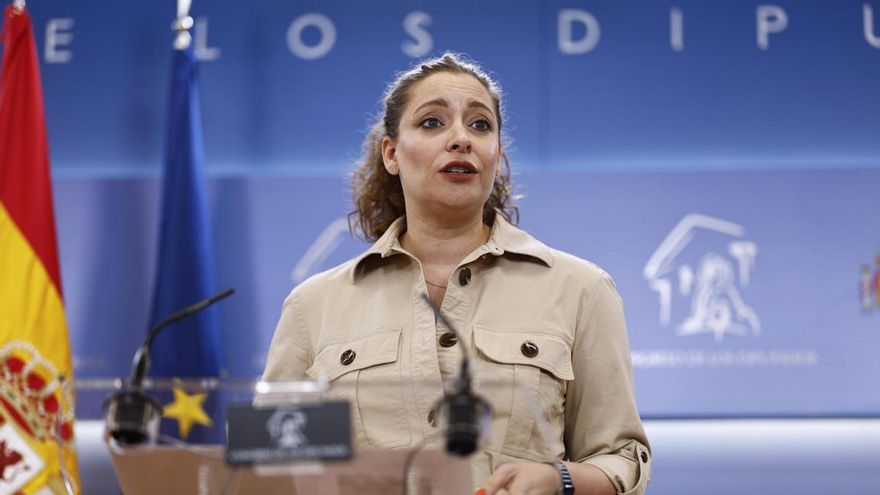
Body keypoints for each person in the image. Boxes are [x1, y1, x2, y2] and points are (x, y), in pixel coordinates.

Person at [262, 53, 651, 495]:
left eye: (480, 125)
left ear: (496, 155)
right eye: (432, 122)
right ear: (391, 153)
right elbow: (271, 465)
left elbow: (621, 457)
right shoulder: (313, 305)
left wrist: (559, 479)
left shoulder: (581, 289)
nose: (461, 139)